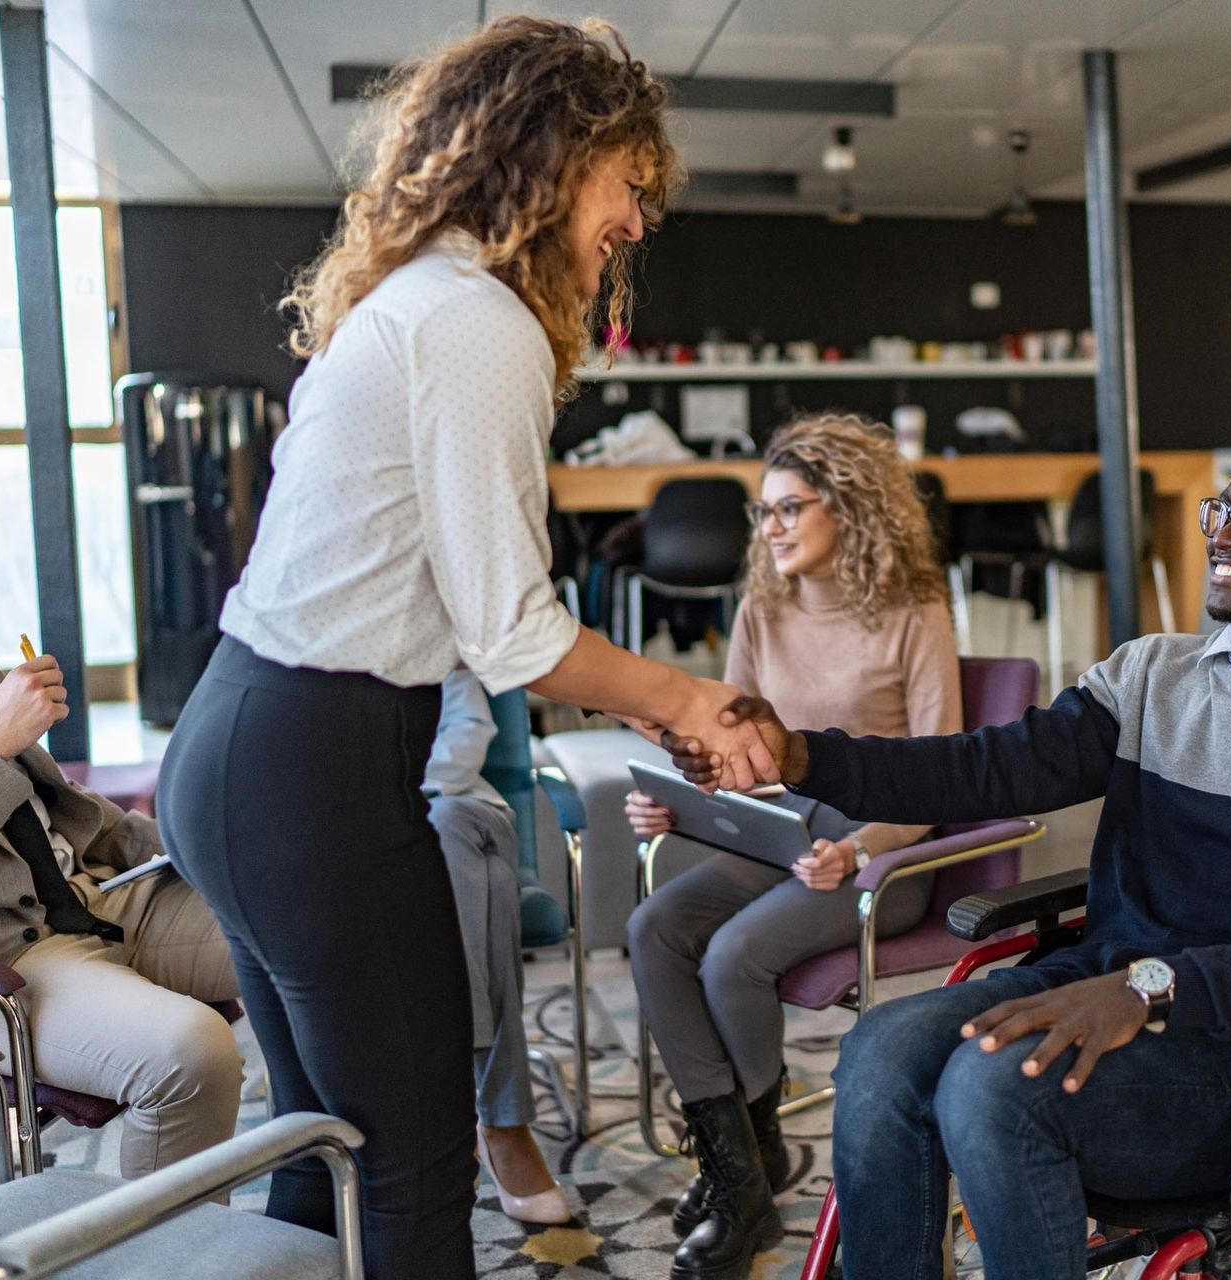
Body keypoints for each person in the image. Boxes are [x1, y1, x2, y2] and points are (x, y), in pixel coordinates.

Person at [155, 19, 776, 1280]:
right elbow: (514, 632)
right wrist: (688, 696)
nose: (636, 222)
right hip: (311, 770)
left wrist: (649, 706)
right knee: (416, 1157)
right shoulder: (475, 320)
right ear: (555, 157)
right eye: (626, 185)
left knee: (320, 1140)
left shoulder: (414, 298)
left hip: (244, 747)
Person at [665, 412, 1231, 1280]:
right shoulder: (1152, 672)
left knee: (990, 1087)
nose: (1225, 537)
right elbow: (982, 771)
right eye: (1223, 512)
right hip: (1102, 985)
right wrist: (799, 756)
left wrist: (1154, 987)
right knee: (881, 1049)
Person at [0, 395, 242, 1180]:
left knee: (310, 922)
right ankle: (159, 1264)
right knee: (191, 1053)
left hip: (96, 900)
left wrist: (192, 837)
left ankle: (326, 1181)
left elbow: (54, 812)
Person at [623, 413, 961, 1280]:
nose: (769, 528)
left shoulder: (913, 610)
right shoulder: (761, 609)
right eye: (763, 513)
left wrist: (860, 851)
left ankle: (741, 1184)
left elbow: (940, 779)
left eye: (788, 509)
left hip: (884, 854)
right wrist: (683, 798)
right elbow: (733, 754)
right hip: (783, 832)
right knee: (655, 927)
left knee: (733, 954)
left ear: (846, 509)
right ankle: (743, 1171)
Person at [421, 666, 566, 1225]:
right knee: (494, 889)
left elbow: (468, 733)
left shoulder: (434, 641)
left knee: (448, 828)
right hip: (363, 836)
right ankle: (500, 1117)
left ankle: (467, 1106)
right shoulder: (308, 645)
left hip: (458, 804)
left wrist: (396, 788)